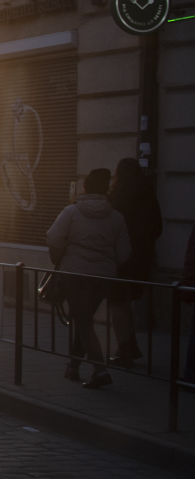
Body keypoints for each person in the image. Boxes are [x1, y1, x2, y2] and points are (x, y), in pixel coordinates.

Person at [47, 167, 131, 390]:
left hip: (74, 273)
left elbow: (53, 238)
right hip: (103, 277)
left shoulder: (71, 212)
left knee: (83, 321)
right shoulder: (116, 217)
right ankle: (73, 367)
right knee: (84, 320)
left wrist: (60, 259)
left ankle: (100, 371)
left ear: (85, 188)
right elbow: (124, 253)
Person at [107, 157, 162, 366]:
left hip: (121, 258)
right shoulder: (149, 194)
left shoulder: (118, 195)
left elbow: (112, 228)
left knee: (117, 302)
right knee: (125, 301)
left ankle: (125, 349)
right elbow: (157, 227)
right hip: (142, 258)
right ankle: (130, 348)